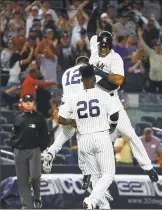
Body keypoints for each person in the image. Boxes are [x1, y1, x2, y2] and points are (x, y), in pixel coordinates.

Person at [86, 1, 158, 182]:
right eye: (100, 44)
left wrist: (98, 73)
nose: (102, 47)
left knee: (131, 134)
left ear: (110, 46)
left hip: (111, 99)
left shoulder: (115, 58)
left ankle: (148, 167)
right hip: (95, 100)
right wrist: (94, 12)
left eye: (105, 46)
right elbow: (89, 31)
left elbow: (116, 83)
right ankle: (89, 173)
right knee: (90, 137)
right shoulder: (95, 48)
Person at [42, 56, 113, 202]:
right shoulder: (88, 72)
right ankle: (98, 187)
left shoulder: (67, 72)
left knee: (67, 132)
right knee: (87, 143)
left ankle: (51, 152)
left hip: (67, 105)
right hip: (82, 104)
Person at [58, 64, 120, 209]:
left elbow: (60, 119)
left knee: (96, 177)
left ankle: (104, 207)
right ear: (94, 78)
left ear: (81, 79)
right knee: (108, 174)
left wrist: (71, 121)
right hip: (100, 137)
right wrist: (113, 126)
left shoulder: (74, 97)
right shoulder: (102, 94)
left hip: (84, 140)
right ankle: (91, 200)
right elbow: (115, 115)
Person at [8, 94, 51, 209]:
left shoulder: (39, 118)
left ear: (33, 103)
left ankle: (37, 197)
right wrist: (14, 147)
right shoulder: (18, 117)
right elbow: (13, 134)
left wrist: (39, 148)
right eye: (26, 101)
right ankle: (27, 206)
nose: (28, 103)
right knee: (22, 181)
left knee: (35, 176)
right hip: (19, 152)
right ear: (22, 103)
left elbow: (45, 136)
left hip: (34, 151)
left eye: (30, 101)